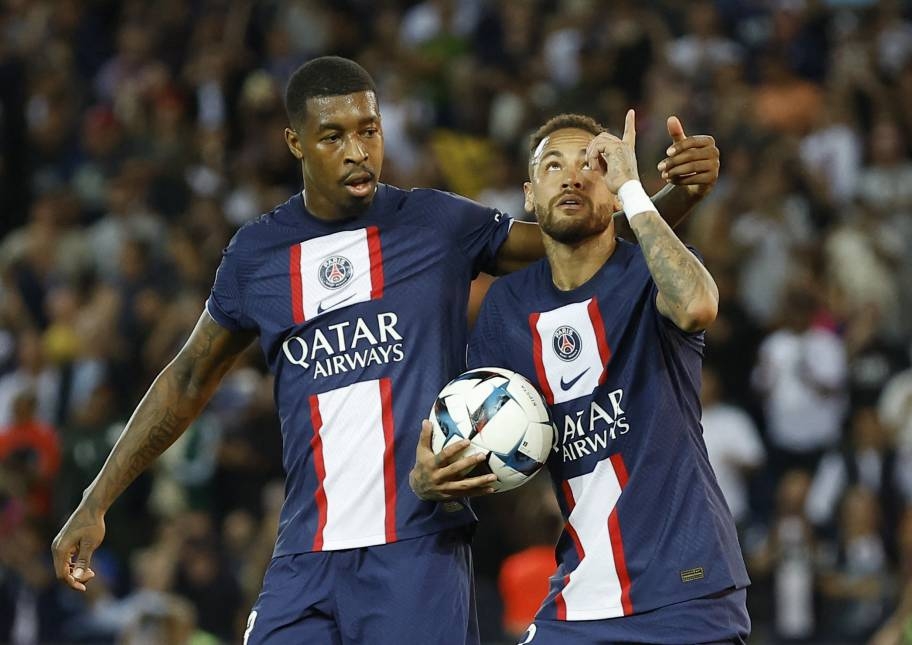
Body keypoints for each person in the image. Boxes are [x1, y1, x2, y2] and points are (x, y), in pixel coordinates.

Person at [51, 56, 720, 644]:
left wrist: (671, 195)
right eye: (333, 136)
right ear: (295, 143)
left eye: (368, 130)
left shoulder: (436, 223)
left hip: (417, 551)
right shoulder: (257, 254)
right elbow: (188, 376)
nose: (358, 151)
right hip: (305, 556)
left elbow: (578, 245)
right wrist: (96, 499)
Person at [412, 111, 749, 643]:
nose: (571, 176)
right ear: (529, 194)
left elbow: (696, 307)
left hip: (684, 588)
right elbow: (476, 441)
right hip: (579, 595)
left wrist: (636, 191)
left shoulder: (652, 271)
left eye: (591, 164)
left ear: (614, 189)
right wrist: (433, 482)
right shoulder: (507, 307)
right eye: (552, 165)